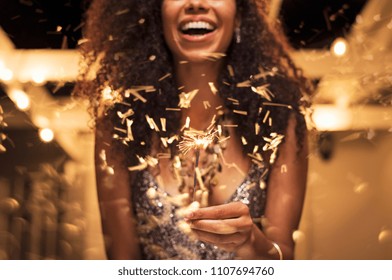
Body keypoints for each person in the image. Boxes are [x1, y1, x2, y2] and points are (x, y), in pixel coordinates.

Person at [75, 0, 312, 260]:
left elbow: (284, 257)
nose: (196, 3)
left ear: (240, 10)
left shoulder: (279, 119)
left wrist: (251, 241)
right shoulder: (119, 122)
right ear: (155, 11)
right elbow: (122, 261)